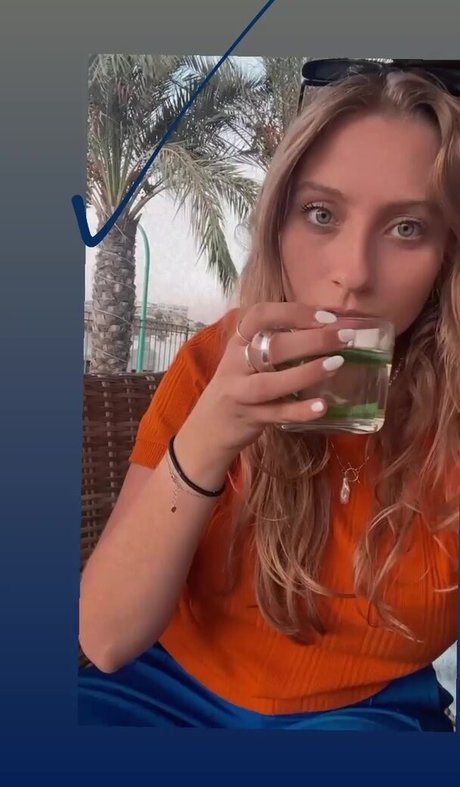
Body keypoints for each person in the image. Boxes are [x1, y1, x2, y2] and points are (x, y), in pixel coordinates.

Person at [78, 63, 459, 730]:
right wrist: (210, 436)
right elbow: (106, 638)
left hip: (368, 711)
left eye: (407, 228)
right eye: (321, 213)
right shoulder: (211, 363)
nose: (353, 273)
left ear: (448, 253)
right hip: (165, 692)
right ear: (279, 225)